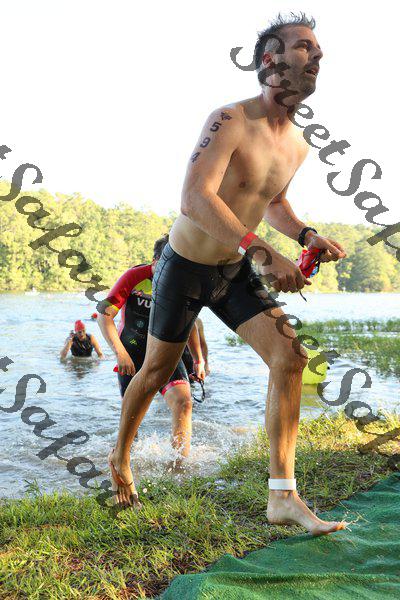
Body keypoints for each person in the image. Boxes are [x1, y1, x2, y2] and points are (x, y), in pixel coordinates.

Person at [108, 13, 348, 535]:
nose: (317, 55)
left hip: (233, 270)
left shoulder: (299, 143)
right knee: (155, 373)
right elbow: (195, 198)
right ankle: (120, 458)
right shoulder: (230, 119)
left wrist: (306, 236)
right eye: (304, 47)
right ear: (271, 60)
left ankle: (282, 496)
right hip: (184, 267)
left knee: (290, 356)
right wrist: (263, 252)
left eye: (318, 50)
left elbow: (273, 202)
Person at [97, 235, 206, 472]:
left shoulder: (182, 283)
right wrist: (120, 354)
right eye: (167, 267)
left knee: (184, 402)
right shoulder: (134, 277)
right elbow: (104, 315)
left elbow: (190, 323)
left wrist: (198, 359)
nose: (171, 276)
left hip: (166, 353)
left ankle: (178, 467)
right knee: (132, 421)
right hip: (132, 354)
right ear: (155, 261)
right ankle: (124, 462)